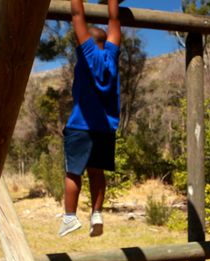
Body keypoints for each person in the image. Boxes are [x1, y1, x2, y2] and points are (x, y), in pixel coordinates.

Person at [58, 0, 121, 237]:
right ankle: (96, 214)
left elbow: (77, 14)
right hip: (105, 128)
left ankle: (70, 217)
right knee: (97, 172)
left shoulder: (87, 55)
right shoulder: (111, 57)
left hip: (81, 126)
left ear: (87, 43)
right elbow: (114, 20)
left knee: (73, 172)